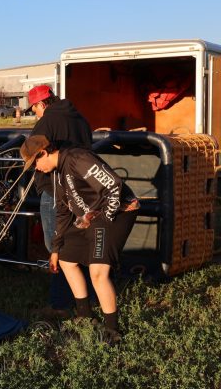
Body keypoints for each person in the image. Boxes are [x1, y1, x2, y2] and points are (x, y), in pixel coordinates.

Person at [20, 135, 139, 343]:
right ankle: (85, 315)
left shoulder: (78, 159)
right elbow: (64, 211)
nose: (35, 169)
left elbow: (114, 186)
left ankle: (113, 331)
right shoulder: (56, 173)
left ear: (44, 152)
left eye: (35, 163)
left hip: (117, 211)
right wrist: (56, 249)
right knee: (67, 259)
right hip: (91, 215)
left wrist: (104, 221)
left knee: (98, 272)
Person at [28, 84, 93, 318]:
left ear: (41, 104)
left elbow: (32, 152)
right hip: (82, 191)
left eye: (33, 109)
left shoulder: (46, 122)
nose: (34, 113)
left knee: (56, 247)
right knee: (77, 242)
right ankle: (85, 296)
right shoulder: (81, 119)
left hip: (54, 190)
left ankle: (59, 304)